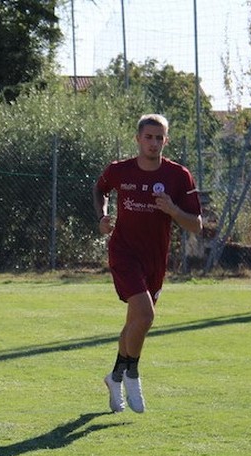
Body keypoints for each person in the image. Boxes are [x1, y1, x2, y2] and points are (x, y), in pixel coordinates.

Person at [93, 114, 202, 414]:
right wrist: (102, 216)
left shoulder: (178, 176)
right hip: (123, 253)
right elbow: (100, 189)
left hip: (155, 259)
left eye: (159, 138)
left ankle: (115, 377)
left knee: (135, 322)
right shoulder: (119, 170)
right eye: (148, 137)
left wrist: (173, 210)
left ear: (166, 140)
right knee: (146, 315)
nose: (153, 143)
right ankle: (133, 374)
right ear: (138, 139)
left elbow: (196, 225)